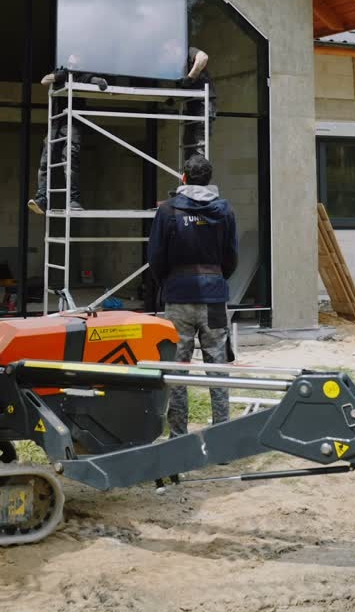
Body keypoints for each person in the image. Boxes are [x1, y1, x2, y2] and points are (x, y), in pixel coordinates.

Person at [148, 153, 238, 436]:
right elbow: (231, 257)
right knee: (218, 368)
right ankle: (221, 436)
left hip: (179, 297)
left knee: (177, 371)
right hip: (214, 298)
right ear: (209, 180)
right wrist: (216, 279)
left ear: (183, 178)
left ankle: (178, 437)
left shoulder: (168, 211)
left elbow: (156, 257)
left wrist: (169, 282)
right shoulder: (223, 210)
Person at [28, 69, 107, 215]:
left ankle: (73, 200)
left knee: (70, 158)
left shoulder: (82, 75)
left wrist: (101, 82)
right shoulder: (60, 73)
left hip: (73, 123)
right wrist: (59, 76)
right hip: (56, 123)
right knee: (45, 161)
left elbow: (96, 81)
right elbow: (44, 80)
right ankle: (42, 199)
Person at [181, 47, 216, 158]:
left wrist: (190, 77)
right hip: (192, 106)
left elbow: (203, 57)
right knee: (188, 145)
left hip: (202, 105)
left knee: (198, 148)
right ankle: (190, 174)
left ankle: (197, 174)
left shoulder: (187, 50)